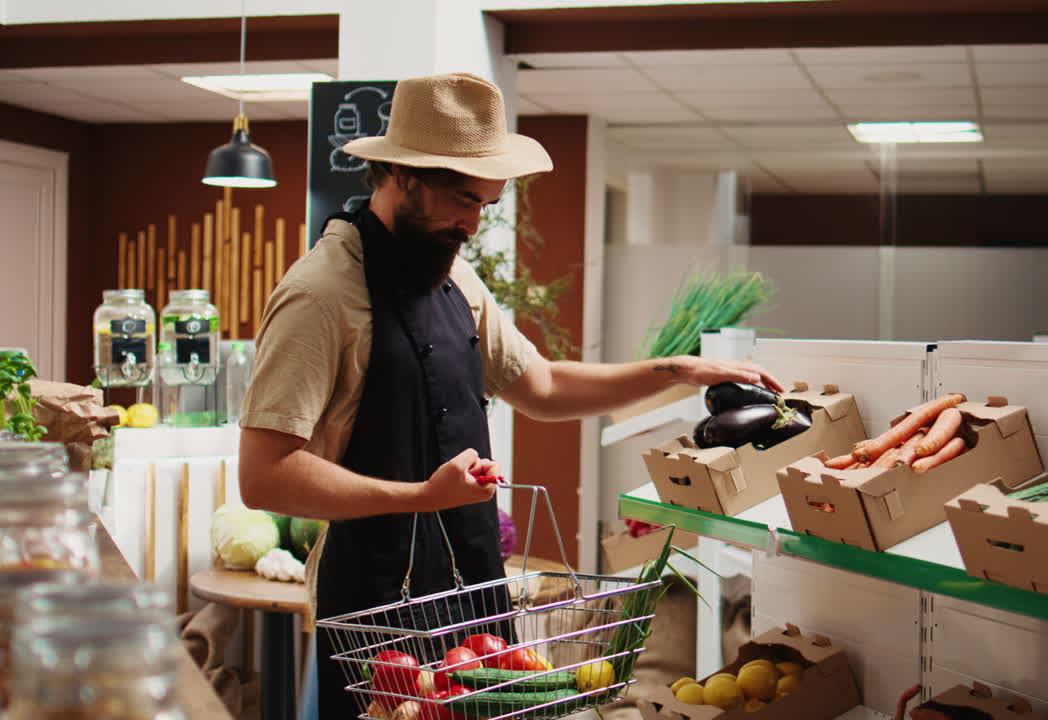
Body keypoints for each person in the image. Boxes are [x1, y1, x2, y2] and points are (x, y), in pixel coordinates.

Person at [237, 72, 781, 719]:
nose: (473, 223)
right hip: (377, 613)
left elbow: (542, 387)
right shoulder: (320, 293)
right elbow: (264, 475)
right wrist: (420, 498)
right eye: (464, 199)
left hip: (476, 589)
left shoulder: (455, 278)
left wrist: (674, 369)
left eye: (485, 206)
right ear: (404, 176)